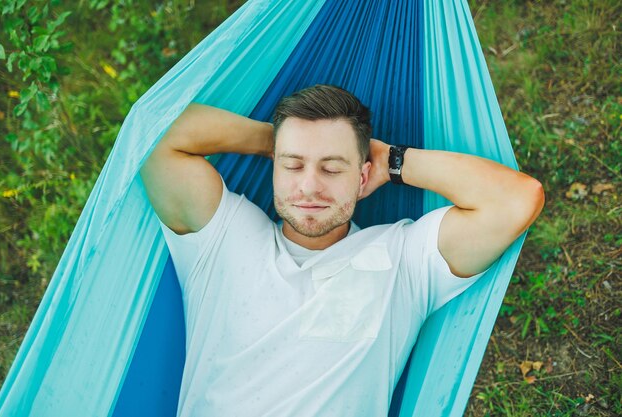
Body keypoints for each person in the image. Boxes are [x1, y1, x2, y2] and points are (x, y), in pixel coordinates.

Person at [140, 84, 544, 416]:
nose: (310, 186)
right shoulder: (223, 237)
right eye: (293, 167)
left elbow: (516, 200)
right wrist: (278, 142)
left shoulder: (402, 258)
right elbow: (153, 133)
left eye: (332, 168)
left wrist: (394, 161)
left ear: (363, 174)